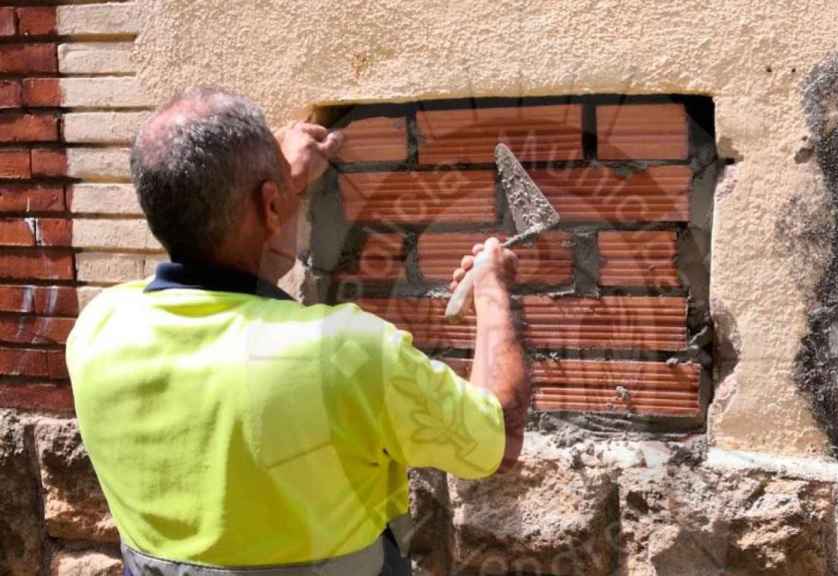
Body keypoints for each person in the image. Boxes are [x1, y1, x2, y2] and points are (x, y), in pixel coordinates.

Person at [65, 87, 529, 576]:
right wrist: (493, 291)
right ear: (269, 205)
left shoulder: (99, 328)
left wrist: (273, 188)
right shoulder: (343, 352)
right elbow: (499, 438)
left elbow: (225, 275)